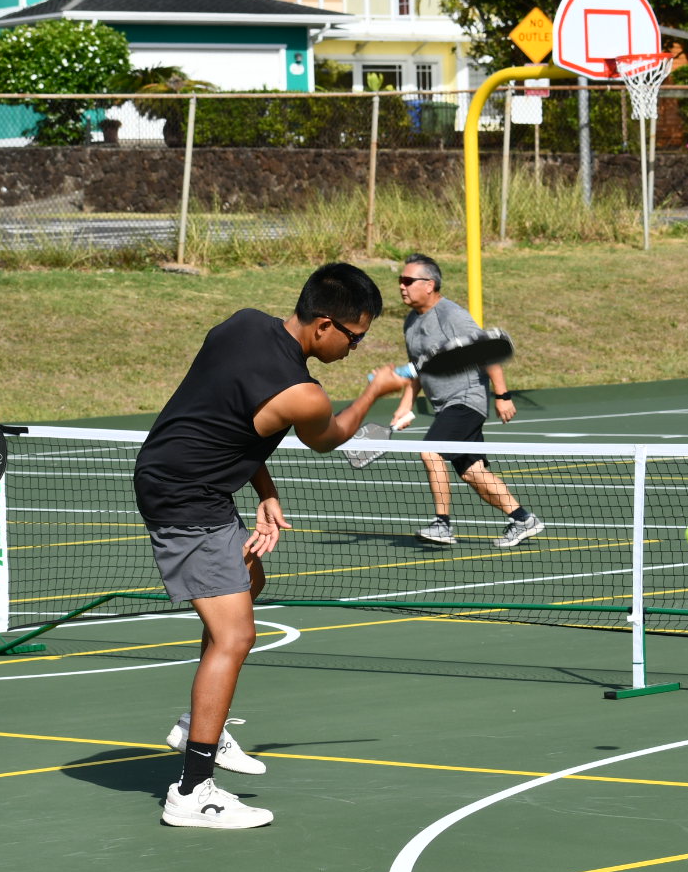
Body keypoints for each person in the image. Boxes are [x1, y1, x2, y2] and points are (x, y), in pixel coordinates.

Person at [134, 262, 410, 829]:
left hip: (185, 477)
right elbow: (332, 437)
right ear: (324, 324)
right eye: (354, 337)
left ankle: (198, 725)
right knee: (236, 636)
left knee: (249, 580)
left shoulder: (241, 324)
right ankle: (192, 789)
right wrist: (375, 390)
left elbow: (230, 416)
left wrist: (265, 490)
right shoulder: (304, 395)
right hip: (185, 495)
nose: (355, 347)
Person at [390, 255, 544, 548]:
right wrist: (406, 404)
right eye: (400, 280)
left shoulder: (451, 315)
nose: (402, 286)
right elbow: (418, 369)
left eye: (408, 281)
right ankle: (523, 519)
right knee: (472, 472)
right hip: (444, 405)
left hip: (465, 399)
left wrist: (502, 395)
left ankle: (442, 524)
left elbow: (486, 351)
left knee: (430, 451)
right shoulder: (410, 323)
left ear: (429, 285)